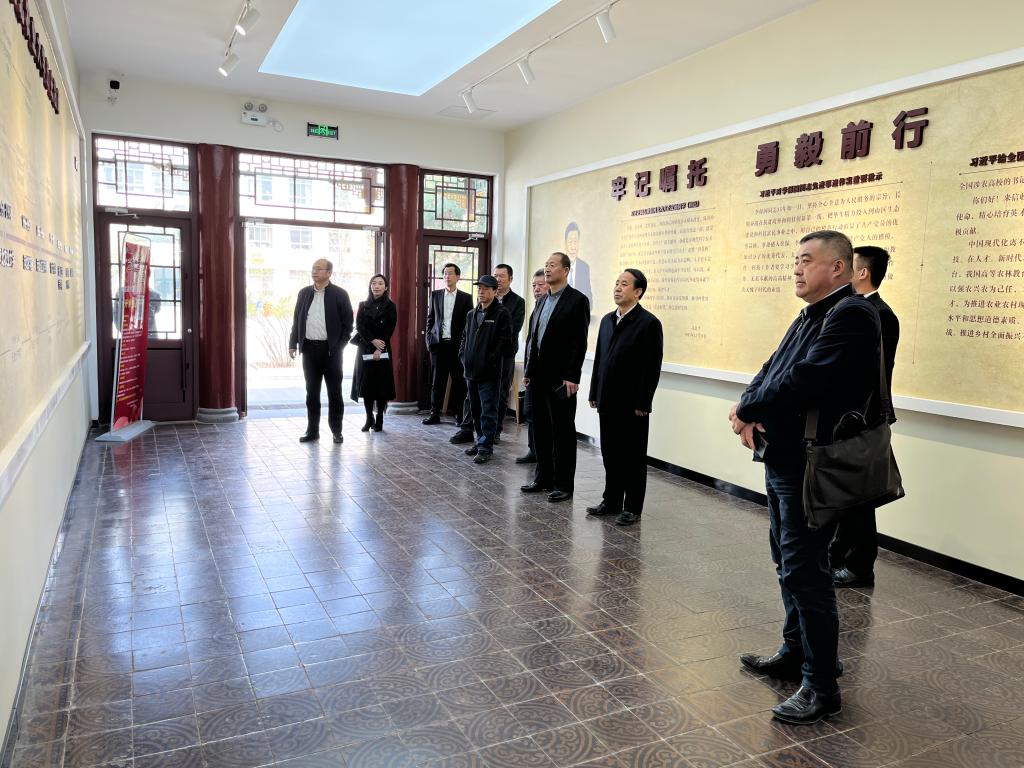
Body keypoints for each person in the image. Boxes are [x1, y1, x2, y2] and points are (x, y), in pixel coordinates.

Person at [729, 230, 881, 726]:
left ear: (838, 268)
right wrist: (747, 406)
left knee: (806, 571)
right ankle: (795, 652)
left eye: (806, 260)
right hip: (785, 459)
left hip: (811, 465)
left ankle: (821, 684)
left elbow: (806, 379)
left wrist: (748, 410)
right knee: (787, 561)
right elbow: (772, 368)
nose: (796, 268)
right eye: (795, 259)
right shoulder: (812, 313)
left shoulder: (853, 314)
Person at [830, 245, 900, 588]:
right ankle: (839, 557)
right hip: (847, 417)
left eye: (850, 265)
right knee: (846, 491)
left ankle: (859, 566)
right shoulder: (853, 308)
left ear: (862, 272)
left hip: (862, 418)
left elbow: (872, 372)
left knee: (859, 495)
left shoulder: (880, 314)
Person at [587, 269, 663, 526]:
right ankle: (611, 501)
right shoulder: (608, 320)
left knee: (633, 457)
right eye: (617, 283)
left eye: (624, 284)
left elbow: (652, 367)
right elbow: (600, 359)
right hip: (607, 399)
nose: (618, 288)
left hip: (632, 405)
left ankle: (632, 507)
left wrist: (643, 402)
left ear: (638, 292)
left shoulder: (648, 323)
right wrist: (594, 391)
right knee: (610, 454)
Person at [521, 252, 590, 502]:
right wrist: (528, 371)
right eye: (546, 265)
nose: (548, 269)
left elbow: (579, 342)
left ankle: (563, 484)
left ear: (566, 270)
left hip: (561, 379)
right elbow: (533, 339)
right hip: (538, 377)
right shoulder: (541, 301)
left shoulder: (577, 300)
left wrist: (572, 376)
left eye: (553, 265)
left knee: (562, 431)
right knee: (540, 429)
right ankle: (543, 478)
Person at [449, 263, 524, 445]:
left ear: (510, 279)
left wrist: (488, 358)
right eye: (496, 275)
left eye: (502, 276)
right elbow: (468, 335)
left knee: (497, 396)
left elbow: (509, 334)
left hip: (501, 359)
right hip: (475, 361)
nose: (498, 278)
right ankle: (469, 430)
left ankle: (492, 434)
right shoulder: (478, 308)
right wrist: (465, 356)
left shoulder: (516, 303)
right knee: (472, 398)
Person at [288, 258, 354, 444]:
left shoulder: (340, 294)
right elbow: (297, 320)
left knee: (335, 393)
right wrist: (293, 343)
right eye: (313, 268)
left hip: (331, 351)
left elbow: (348, 324)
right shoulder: (304, 293)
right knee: (311, 393)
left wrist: (339, 346)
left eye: (319, 269)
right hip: (309, 349)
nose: (314, 272)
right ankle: (312, 431)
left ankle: (337, 431)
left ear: (329, 273)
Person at [460, 275, 513, 464]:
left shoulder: (501, 313)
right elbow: (464, 338)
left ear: (494, 291)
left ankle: (485, 447)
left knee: (488, 410)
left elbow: (504, 342)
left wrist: (489, 361)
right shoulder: (471, 314)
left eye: (486, 289)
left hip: (489, 373)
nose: (481, 292)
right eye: (479, 289)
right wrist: (463, 357)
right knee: (474, 409)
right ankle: (479, 441)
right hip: (471, 371)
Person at [423, 263, 472, 425]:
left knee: (459, 381)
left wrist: (465, 345)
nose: (447, 276)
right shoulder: (435, 295)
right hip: (439, 346)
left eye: (450, 273)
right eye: (445, 273)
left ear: (458, 277)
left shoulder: (466, 298)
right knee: (437, 382)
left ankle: (459, 414)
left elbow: (469, 324)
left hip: (457, 347)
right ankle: (434, 414)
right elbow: (430, 319)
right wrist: (429, 341)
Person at [350, 274, 397, 433]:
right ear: (370, 286)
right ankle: (369, 418)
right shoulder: (363, 305)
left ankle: (380, 418)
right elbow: (360, 326)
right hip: (365, 348)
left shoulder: (390, 306)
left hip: (382, 349)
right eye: (374, 283)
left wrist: (379, 346)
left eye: (380, 283)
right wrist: (372, 341)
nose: (376, 286)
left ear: (386, 287)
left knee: (381, 386)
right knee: (366, 386)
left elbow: (390, 328)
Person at [516, 270, 550, 464]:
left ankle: (543, 452)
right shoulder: (536, 308)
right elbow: (530, 342)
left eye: (540, 285)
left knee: (542, 417)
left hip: (546, 373)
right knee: (530, 413)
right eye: (534, 286)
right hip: (532, 372)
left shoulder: (550, 310)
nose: (536, 289)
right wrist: (527, 370)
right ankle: (533, 449)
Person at [564, 222, 592, 307]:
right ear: (565, 243)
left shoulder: (584, 268)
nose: (573, 246)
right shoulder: (559, 266)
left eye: (575, 242)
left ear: (579, 242)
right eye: (570, 242)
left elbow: (589, 300)